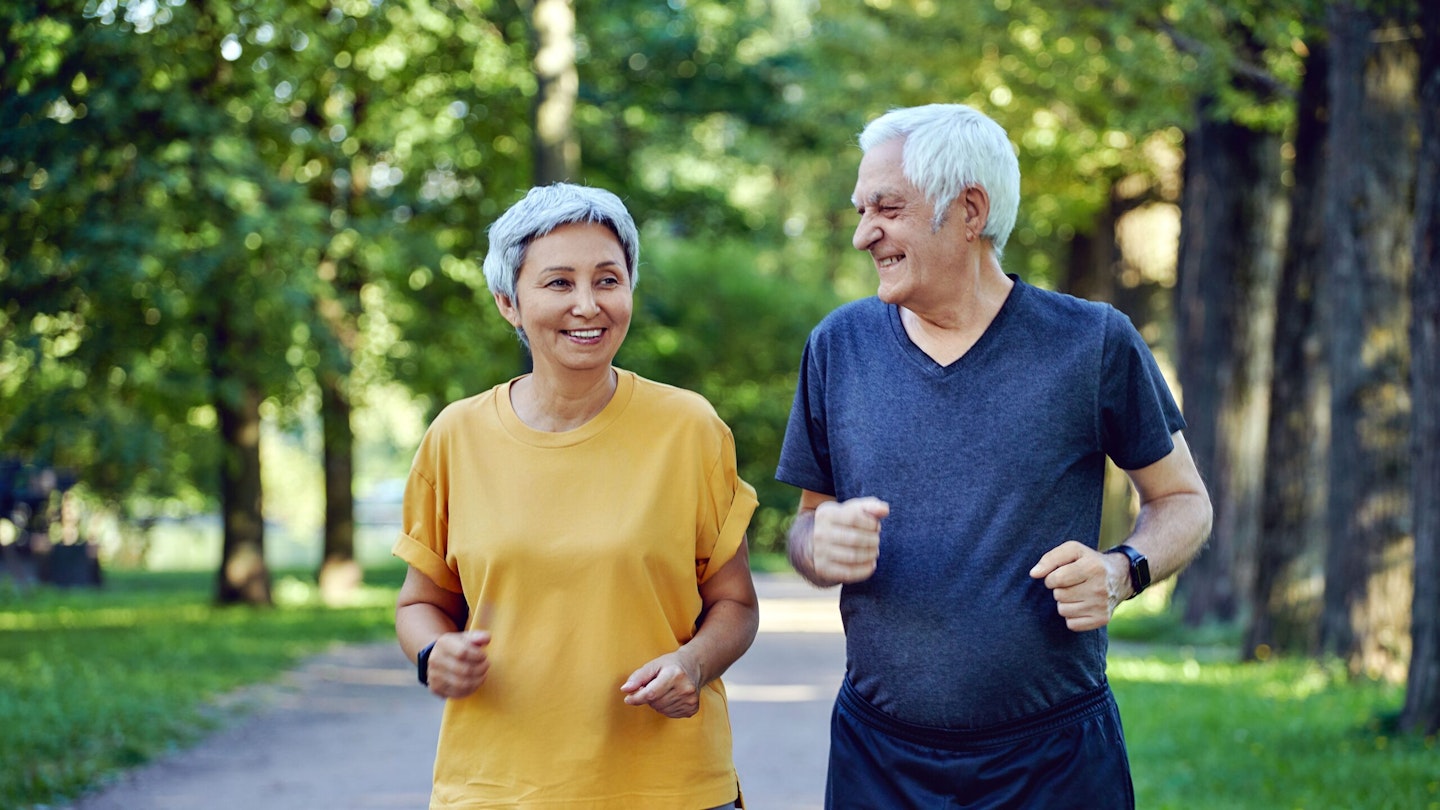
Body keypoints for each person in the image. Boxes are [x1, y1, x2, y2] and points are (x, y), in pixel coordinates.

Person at [776, 103, 1213, 809]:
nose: (864, 235)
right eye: (862, 211)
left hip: (1055, 763)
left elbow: (1183, 501)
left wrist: (1119, 570)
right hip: (878, 760)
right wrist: (815, 543)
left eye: (886, 208)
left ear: (969, 208)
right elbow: (804, 525)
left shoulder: (1093, 342)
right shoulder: (838, 346)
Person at [393, 183, 759, 810]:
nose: (588, 305)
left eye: (608, 280)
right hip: (497, 789)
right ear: (509, 302)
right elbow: (419, 604)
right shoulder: (457, 436)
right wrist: (434, 654)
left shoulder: (689, 428)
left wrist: (693, 665)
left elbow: (735, 606)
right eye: (559, 283)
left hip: (668, 787)